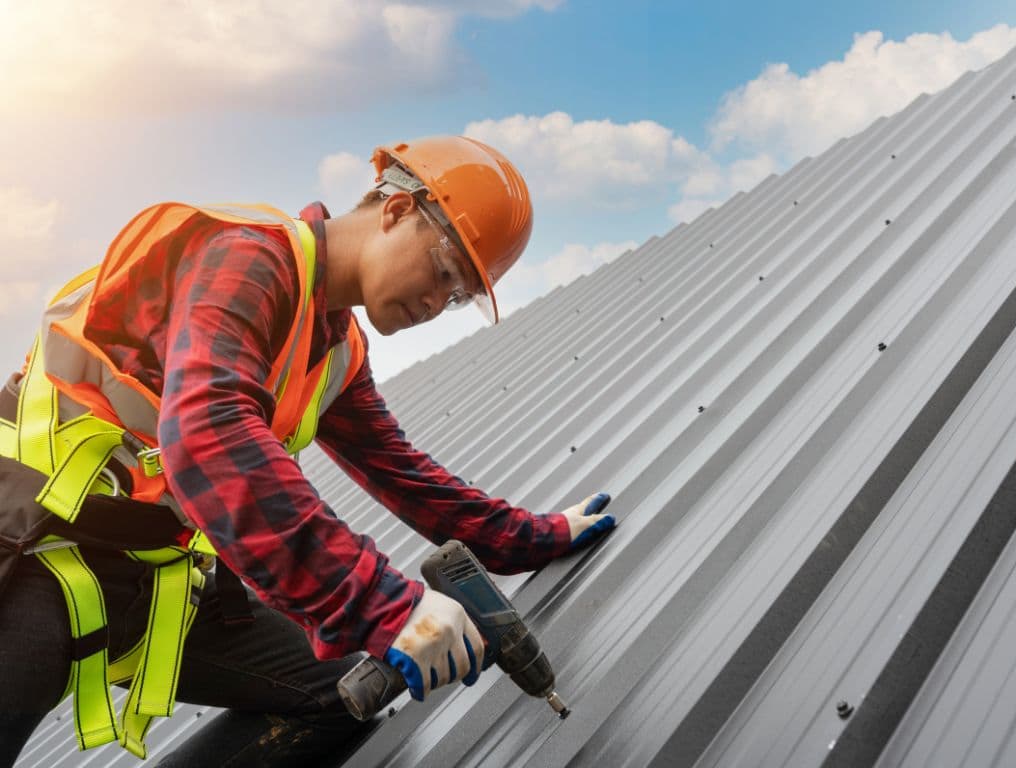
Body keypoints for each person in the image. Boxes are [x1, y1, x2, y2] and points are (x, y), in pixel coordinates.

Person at [0, 135, 615, 767]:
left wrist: (537, 536)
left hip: (139, 575)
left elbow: (404, 474)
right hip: (26, 546)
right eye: (442, 270)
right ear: (397, 210)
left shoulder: (335, 347)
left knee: (334, 694)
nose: (436, 303)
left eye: (457, 296)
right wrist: (383, 603)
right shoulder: (246, 257)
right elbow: (207, 431)